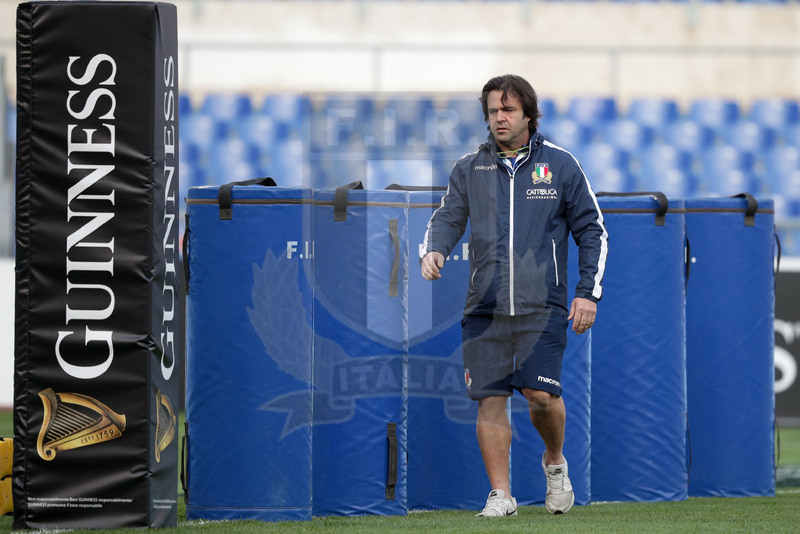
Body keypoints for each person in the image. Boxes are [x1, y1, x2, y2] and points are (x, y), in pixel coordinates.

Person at [420, 74, 608, 517]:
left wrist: (588, 293)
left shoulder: (561, 165)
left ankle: (555, 462)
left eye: (507, 110)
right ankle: (501, 495)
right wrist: (434, 249)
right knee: (490, 398)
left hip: (542, 307)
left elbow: (592, 230)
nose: (499, 118)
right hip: (483, 308)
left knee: (540, 396)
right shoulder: (469, 167)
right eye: (492, 111)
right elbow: (447, 217)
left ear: (528, 113)